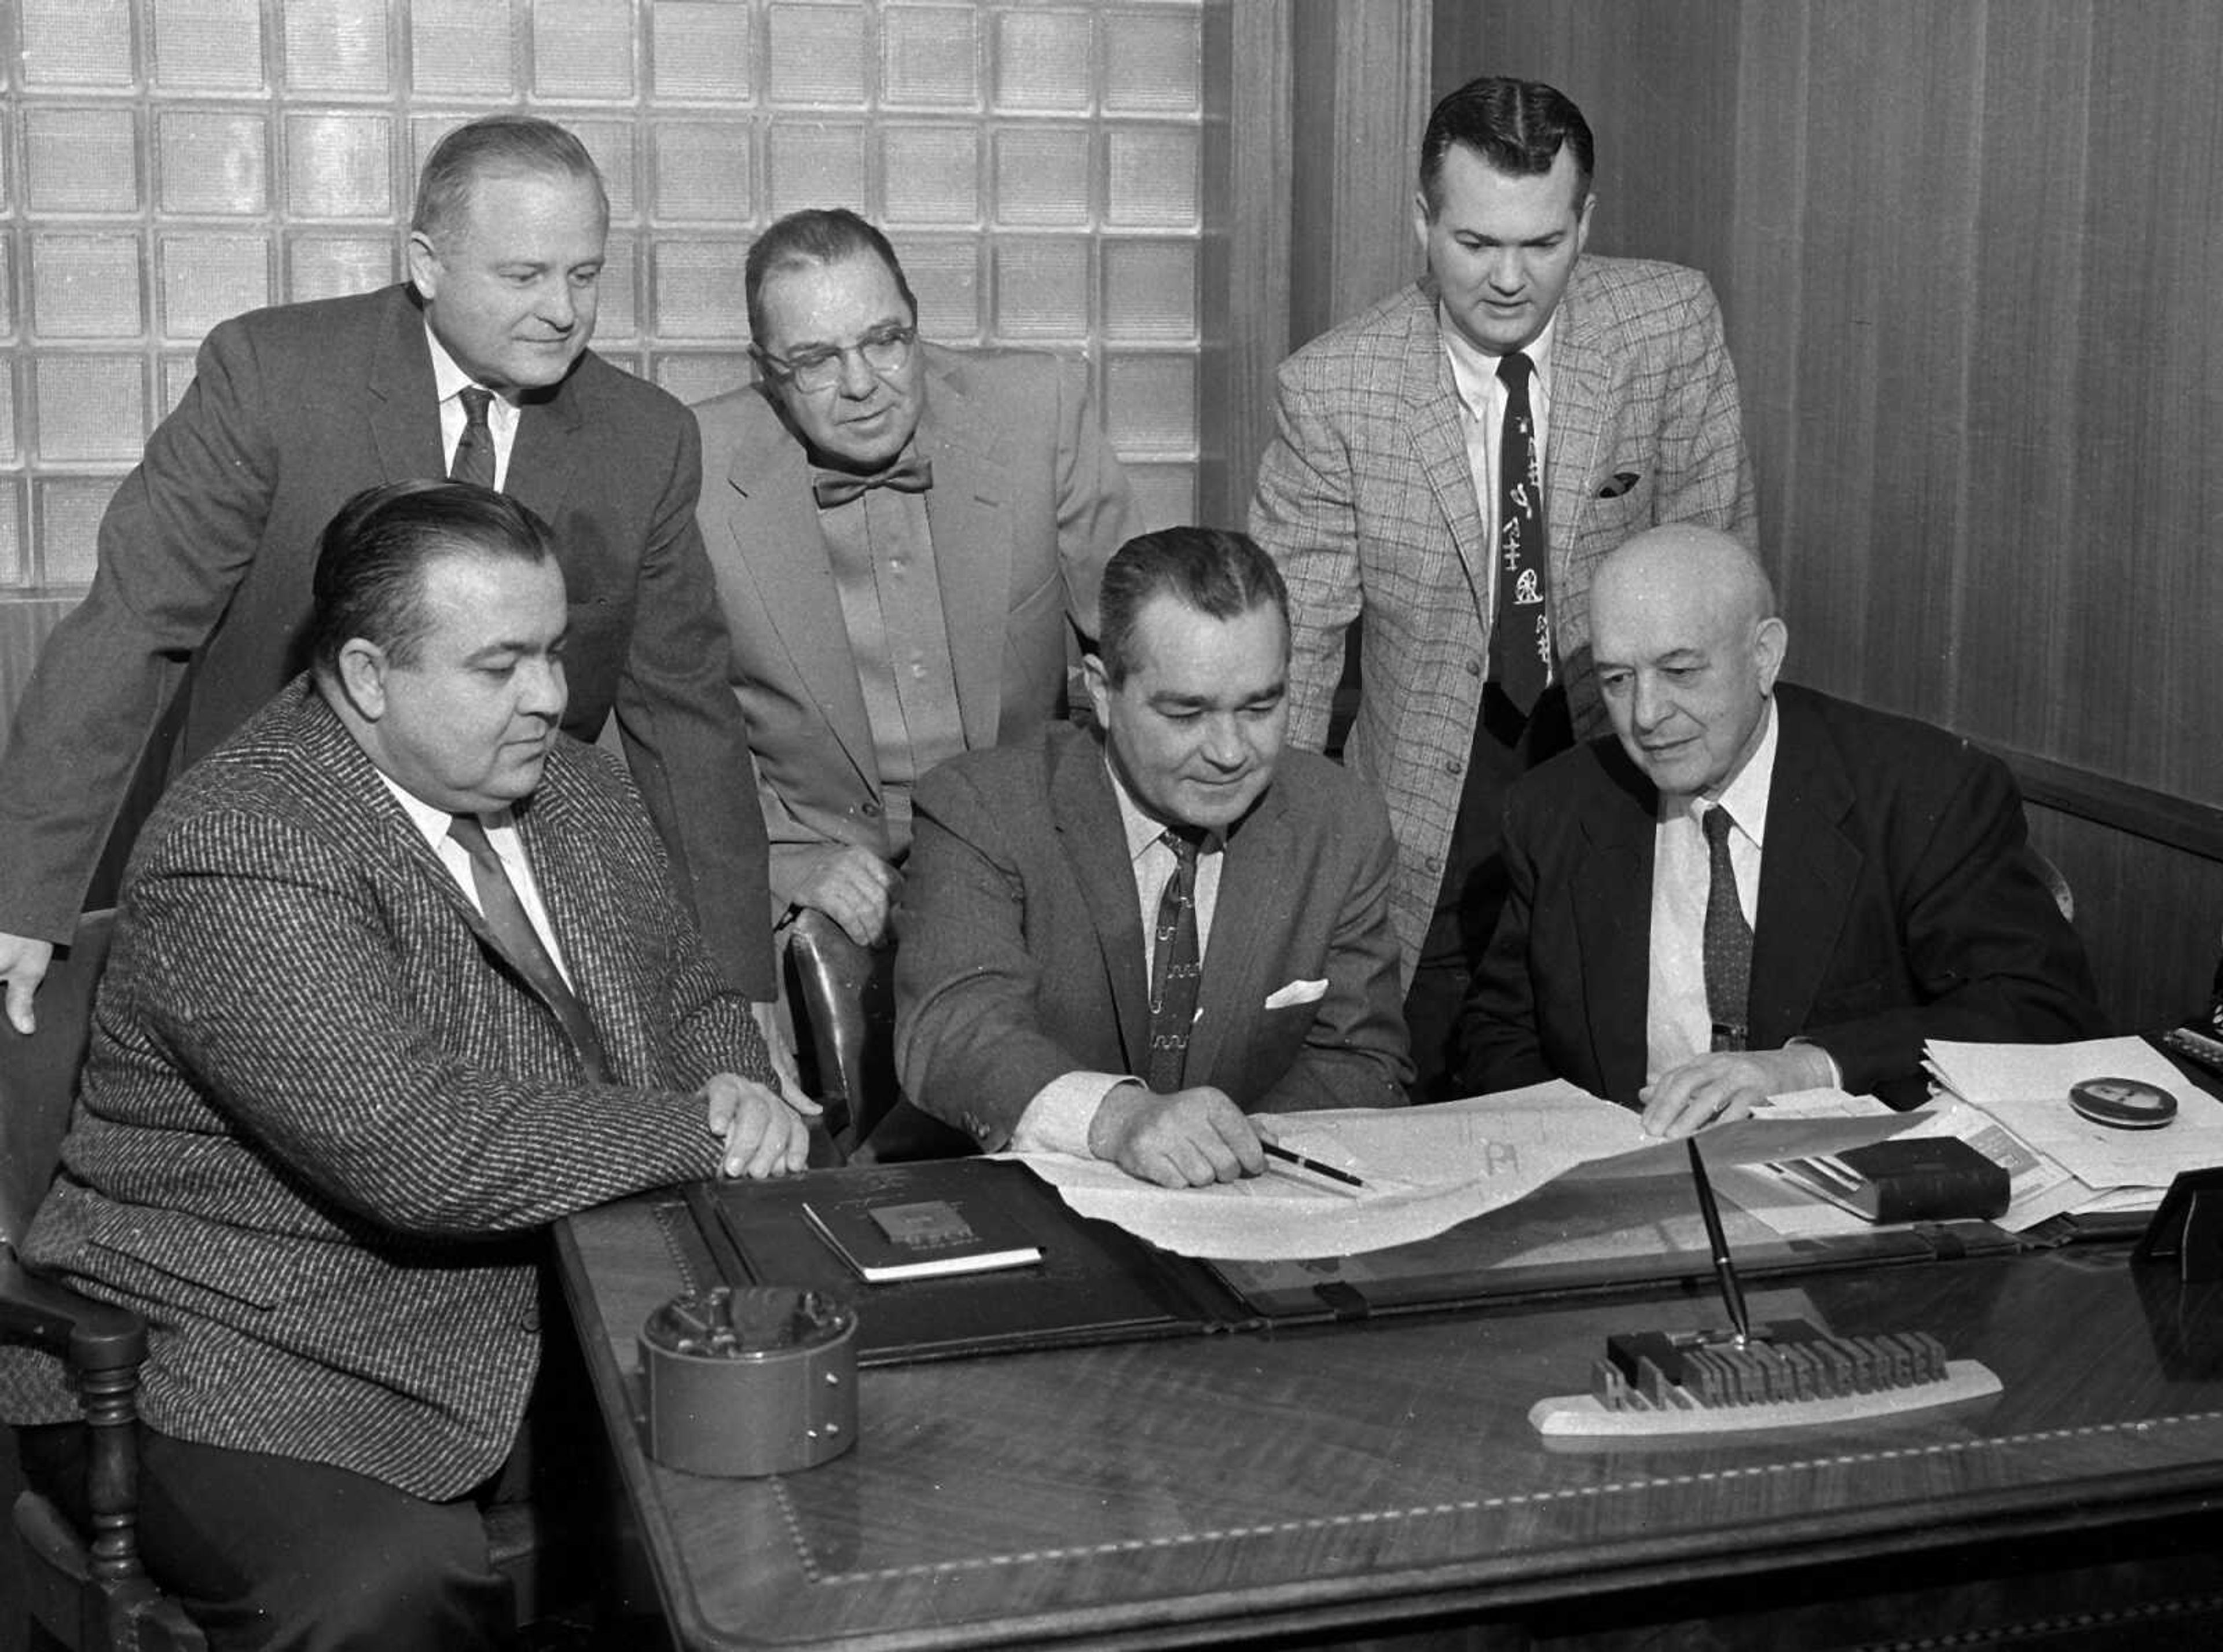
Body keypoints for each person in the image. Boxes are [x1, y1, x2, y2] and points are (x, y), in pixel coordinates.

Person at [0, 482, 813, 1651]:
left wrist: (742, 1087)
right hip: (239, 1361)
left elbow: (686, 998)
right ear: (370, 677)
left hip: (564, 1308)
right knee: (390, 1584)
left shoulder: (575, 786)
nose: (551, 697)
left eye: (553, 652)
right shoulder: (247, 838)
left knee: (821, 1465)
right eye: (499, 666)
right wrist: (706, 1126)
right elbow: (420, 1148)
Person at [0, 112, 779, 1046]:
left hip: (503, 892)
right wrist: (25, 893)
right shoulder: (273, 377)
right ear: (428, 262)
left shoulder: (644, 439)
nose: (564, 310)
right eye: (523, 275)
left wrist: (739, 986)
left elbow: (686, 718)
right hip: (271, 865)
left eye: (585, 273)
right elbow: (132, 629)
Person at [1249, 75, 1758, 1096]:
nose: (1512, 280)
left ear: (1585, 221)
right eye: (1476, 244)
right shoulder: (1338, 387)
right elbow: (1295, 651)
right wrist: (1273, 872)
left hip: (1623, 777)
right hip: (1431, 809)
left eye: (1544, 243)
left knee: (1617, 1096)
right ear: (1423, 220)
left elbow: (1720, 576)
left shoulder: (1666, 324)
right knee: (1426, 1096)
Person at [1458, 526, 2107, 1134]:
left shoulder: (1921, 792)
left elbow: (2043, 1011)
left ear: (1765, 656)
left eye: (1681, 671)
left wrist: (1810, 1066)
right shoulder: (1556, 810)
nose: (1647, 715)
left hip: (1855, 1187)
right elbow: (1500, 1037)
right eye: (1618, 680)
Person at [892, 527, 1409, 1188]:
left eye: (1260, 706)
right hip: (1014, 1203)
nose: (1229, 751)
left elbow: (1361, 1061)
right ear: (1104, 692)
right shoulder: (982, 808)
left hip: (1248, 1216)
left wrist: (1224, 1164)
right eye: (1186, 713)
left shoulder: (1339, 822)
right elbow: (957, 1030)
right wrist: (1122, 1120)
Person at [693, 208, 1141, 949]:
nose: (862, 384)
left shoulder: (1040, 412)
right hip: (818, 868)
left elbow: (1147, 645)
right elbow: (667, 725)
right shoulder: (698, 465)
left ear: (915, 325)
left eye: (886, 341)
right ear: (766, 372)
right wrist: (787, 862)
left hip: (1031, 842)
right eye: (814, 361)